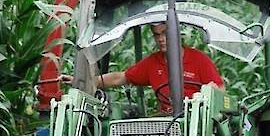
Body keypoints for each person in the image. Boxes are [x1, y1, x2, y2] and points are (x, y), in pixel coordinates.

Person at [91, 22, 223, 115]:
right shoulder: (153, 63)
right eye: (157, 35)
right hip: (166, 122)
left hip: (196, 121)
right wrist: (85, 81)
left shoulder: (198, 59)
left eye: (165, 33)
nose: (161, 39)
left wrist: (208, 93)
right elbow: (121, 77)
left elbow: (220, 89)